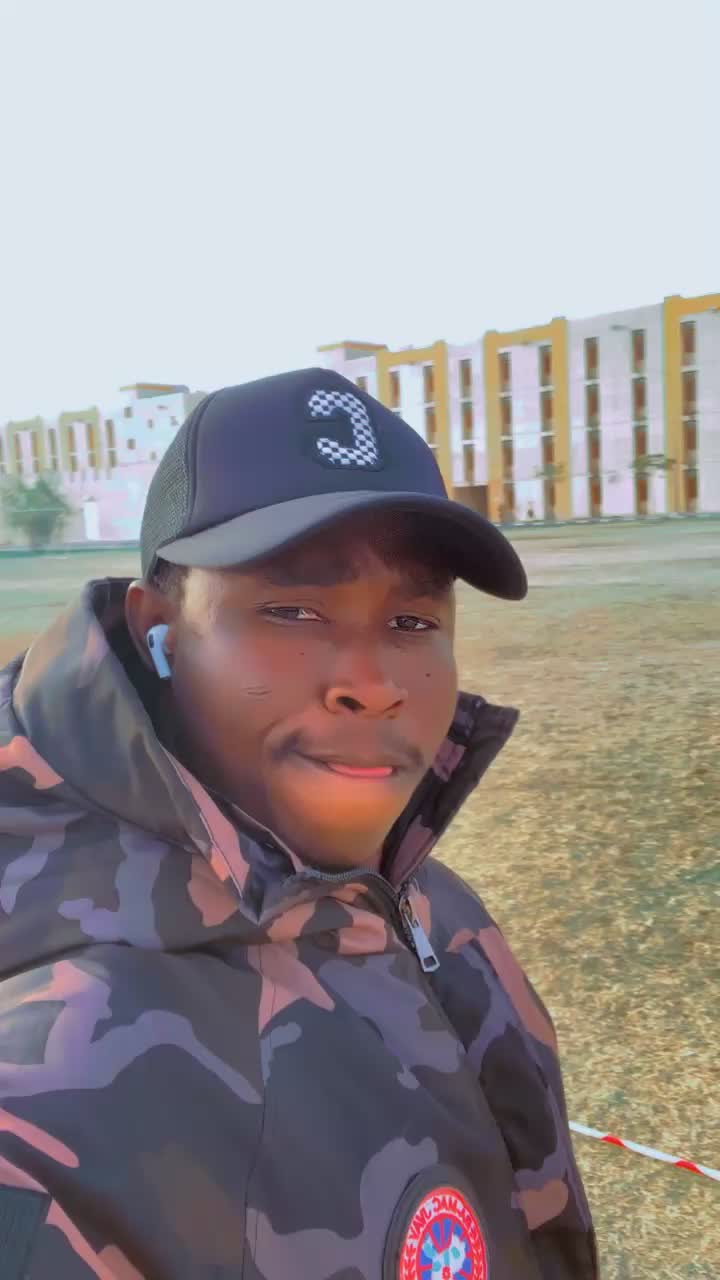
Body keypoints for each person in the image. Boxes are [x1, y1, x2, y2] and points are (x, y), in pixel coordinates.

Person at [0, 369, 597, 1279]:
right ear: (158, 630)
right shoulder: (45, 1098)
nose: (374, 682)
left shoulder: (432, 911)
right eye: (291, 610)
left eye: (412, 619)